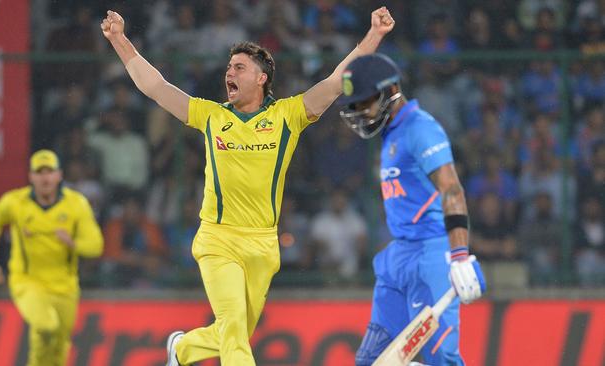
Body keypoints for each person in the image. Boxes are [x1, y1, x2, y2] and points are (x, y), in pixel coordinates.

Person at [101, 7, 395, 366]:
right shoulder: (212, 116)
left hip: (263, 244)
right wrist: (120, 39)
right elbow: (156, 87)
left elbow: (337, 80)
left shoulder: (286, 116)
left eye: (239, 67)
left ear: (261, 79)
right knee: (236, 334)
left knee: (233, 331)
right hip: (217, 239)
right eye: (228, 67)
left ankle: (181, 350)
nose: (229, 72)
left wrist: (374, 35)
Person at [338, 54, 486, 365]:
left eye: (365, 101)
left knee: (439, 359)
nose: (360, 111)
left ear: (390, 89)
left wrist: (459, 255)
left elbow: (452, 189)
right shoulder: (392, 133)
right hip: (399, 257)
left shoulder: (420, 128)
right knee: (372, 360)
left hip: (430, 256)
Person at [0, 150, 103, 366]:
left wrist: (72, 243)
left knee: (60, 345)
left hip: (65, 286)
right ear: (30, 177)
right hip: (28, 281)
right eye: (39, 172)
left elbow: (95, 246)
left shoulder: (76, 204)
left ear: (59, 175)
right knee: (45, 326)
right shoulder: (15, 202)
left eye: (50, 172)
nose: (45, 178)